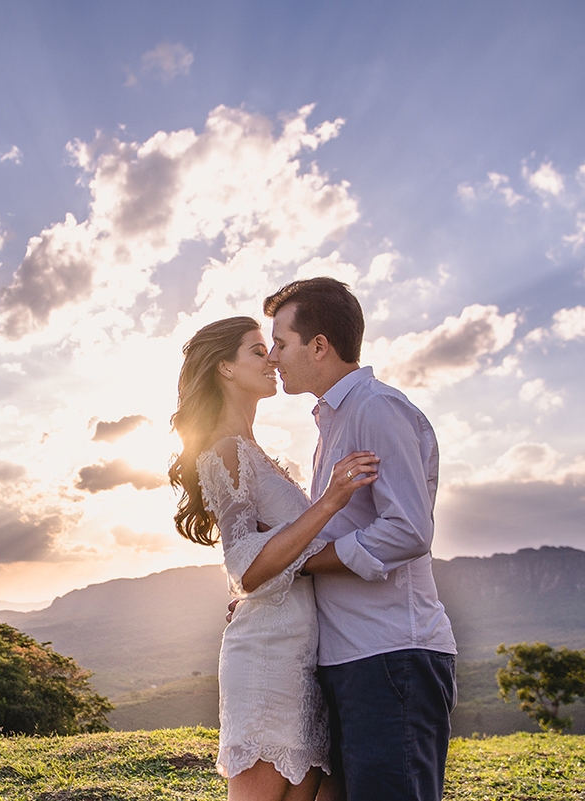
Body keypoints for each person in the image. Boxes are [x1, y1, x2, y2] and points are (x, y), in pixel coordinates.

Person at [169, 316, 380, 801]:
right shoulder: (225, 453)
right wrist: (329, 501)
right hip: (266, 655)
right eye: (257, 350)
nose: (272, 359)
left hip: (302, 652)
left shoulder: (263, 456)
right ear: (224, 367)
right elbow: (244, 567)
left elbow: (286, 552)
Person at [263, 277, 457, 801]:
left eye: (281, 343)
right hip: (353, 656)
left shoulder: (376, 408)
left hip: (391, 654)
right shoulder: (333, 421)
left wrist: (306, 564)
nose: (274, 356)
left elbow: (408, 529)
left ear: (319, 345)